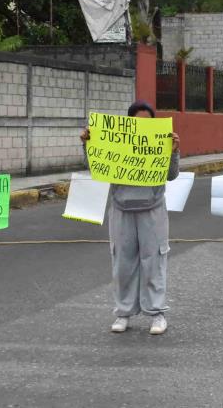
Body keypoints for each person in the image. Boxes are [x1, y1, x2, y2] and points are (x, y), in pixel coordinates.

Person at [80, 101, 181, 335]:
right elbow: (95, 169)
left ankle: (157, 314)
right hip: (121, 209)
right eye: (136, 122)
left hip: (152, 209)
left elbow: (172, 175)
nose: (141, 126)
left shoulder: (161, 141)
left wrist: (174, 151)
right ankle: (123, 313)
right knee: (122, 263)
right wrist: (88, 145)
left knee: (154, 261)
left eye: (147, 122)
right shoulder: (116, 142)